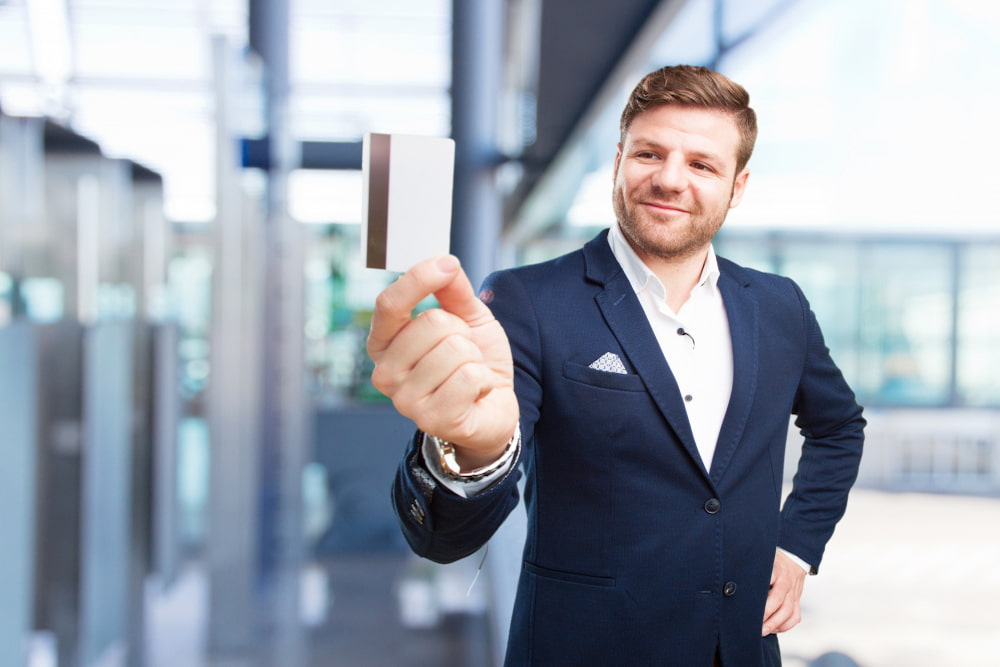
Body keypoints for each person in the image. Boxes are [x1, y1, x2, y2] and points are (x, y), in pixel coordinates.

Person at [367, 65, 865, 666]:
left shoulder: (779, 305)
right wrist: (475, 451)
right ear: (617, 163)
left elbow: (839, 428)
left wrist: (796, 546)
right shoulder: (530, 301)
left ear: (737, 187)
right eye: (649, 153)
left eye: (702, 164)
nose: (669, 179)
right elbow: (445, 535)